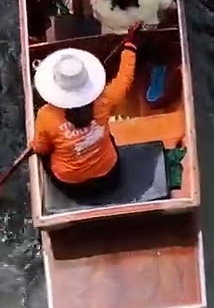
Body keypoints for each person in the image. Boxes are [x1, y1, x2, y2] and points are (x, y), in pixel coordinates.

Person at [30, 25, 141, 197]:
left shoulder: (45, 115)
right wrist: (130, 46)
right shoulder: (104, 99)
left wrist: (34, 145)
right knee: (108, 136)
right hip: (109, 175)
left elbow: (41, 148)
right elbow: (125, 79)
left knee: (46, 155)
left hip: (72, 186)